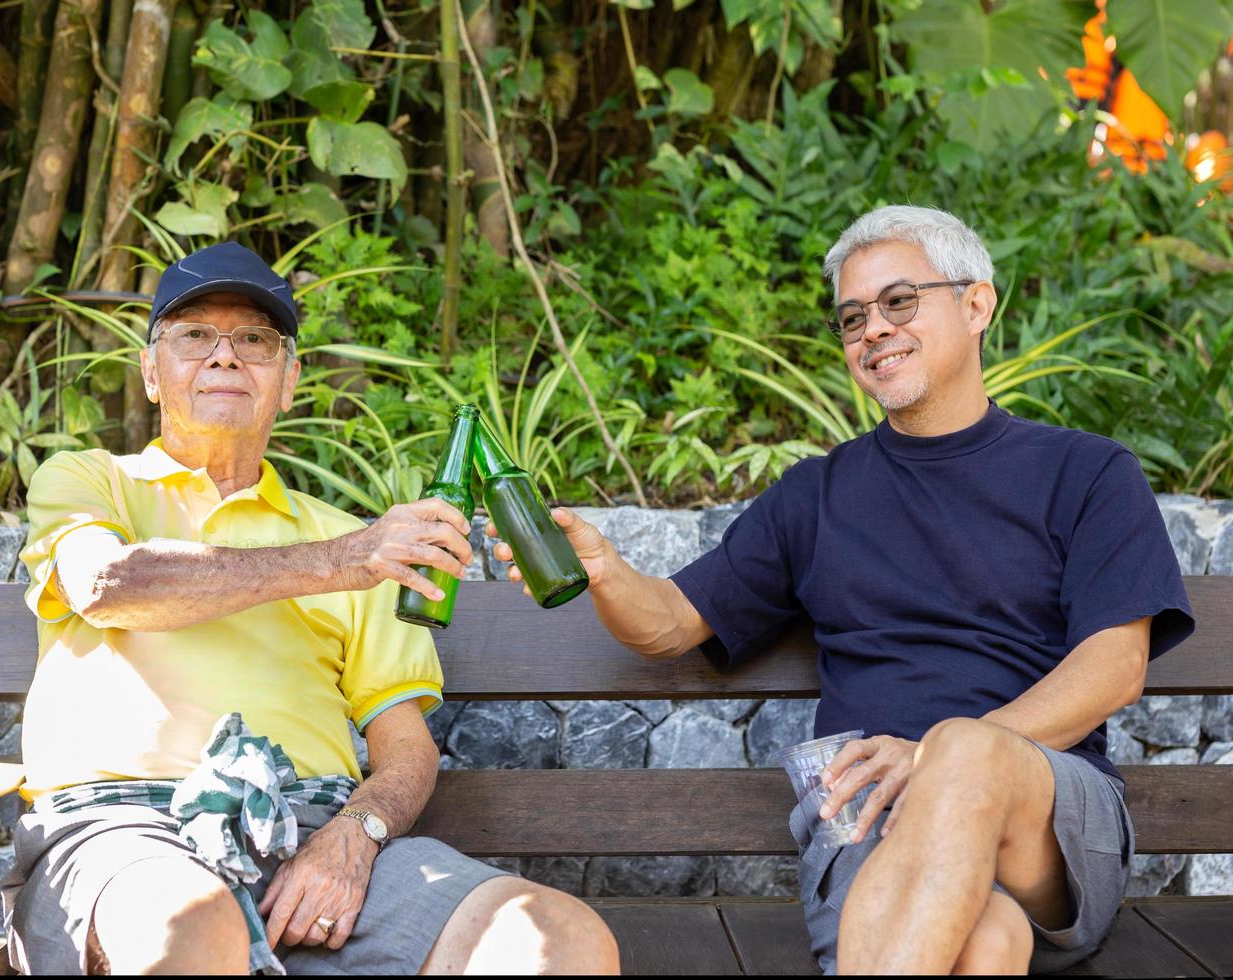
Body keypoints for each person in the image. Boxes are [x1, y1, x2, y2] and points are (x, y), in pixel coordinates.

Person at [488, 205, 1195, 974]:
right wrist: (605, 573)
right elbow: (668, 624)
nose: (873, 331)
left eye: (899, 301)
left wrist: (935, 757)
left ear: (977, 304)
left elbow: (1116, 667)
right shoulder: (817, 496)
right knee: (986, 946)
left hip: (1047, 828)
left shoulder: (1087, 472)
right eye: (852, 318)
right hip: (873, 817)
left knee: (968, 750)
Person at [2, 241, 620, 975]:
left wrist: (356, 835)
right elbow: (107, 584)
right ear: (150, 373)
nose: (225, 357)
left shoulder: (349, 536)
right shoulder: (89, 481)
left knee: (562, 940)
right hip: (128, 831)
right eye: (194, 335)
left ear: (289, 382)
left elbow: (405, 747)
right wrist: (341, 562)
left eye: (256, 340)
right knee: (186, 930)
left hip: (315, 833)